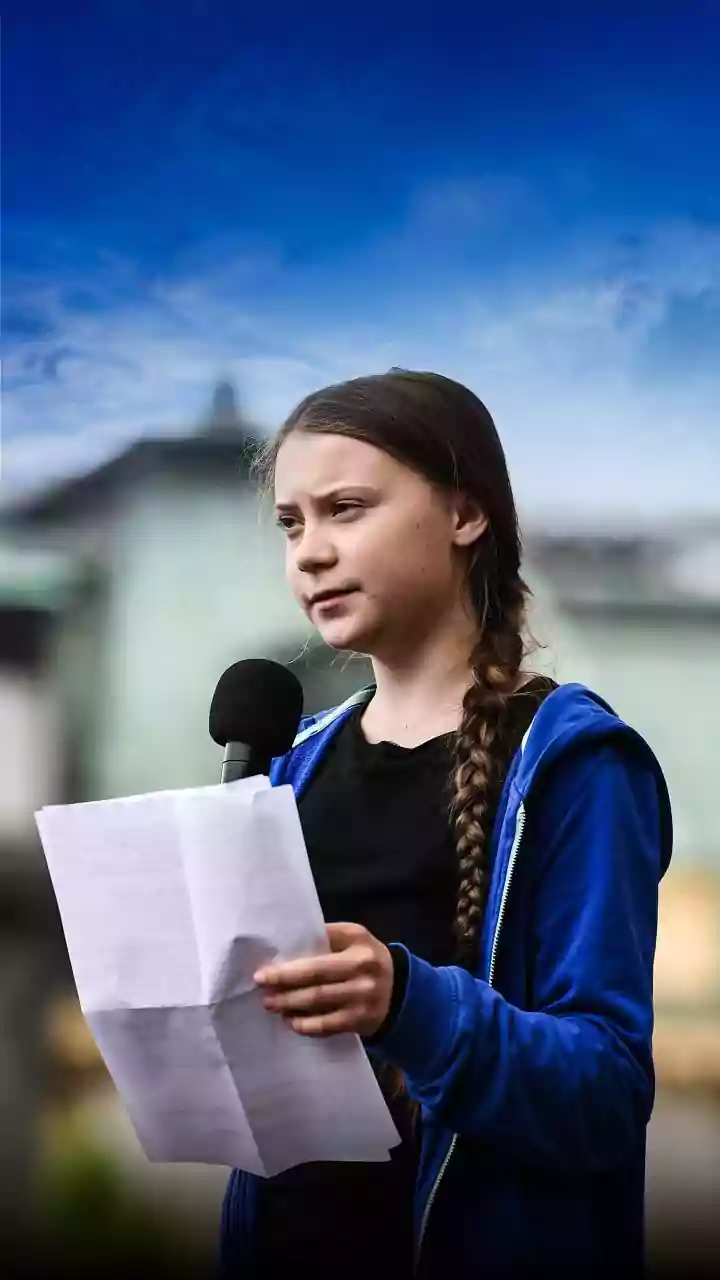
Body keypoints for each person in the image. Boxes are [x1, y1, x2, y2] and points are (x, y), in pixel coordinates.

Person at [220, 370, 671, 1279]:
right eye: (291, 522)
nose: (309, 551)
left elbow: (607, 1093)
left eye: (346, 508)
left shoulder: (576, 765)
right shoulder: (289, 762)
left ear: (466, 514)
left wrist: (406, 1004)